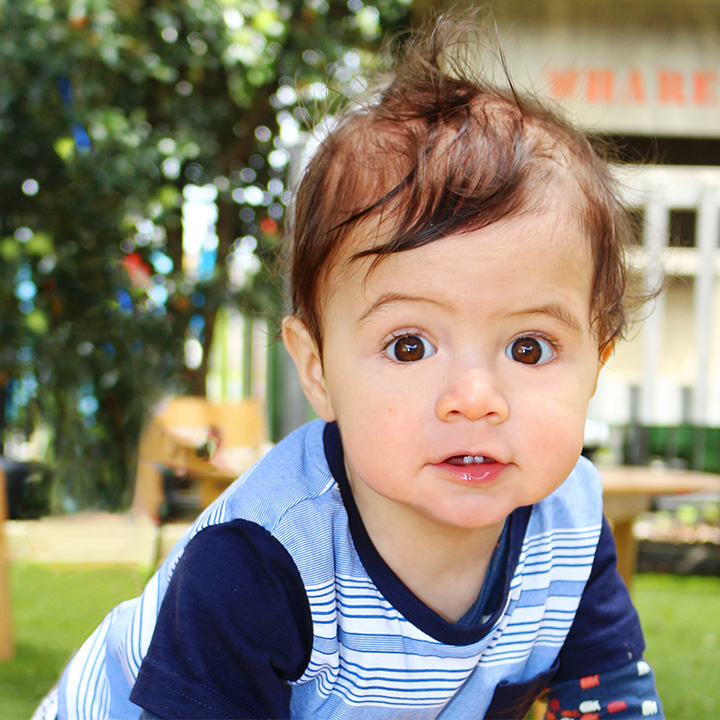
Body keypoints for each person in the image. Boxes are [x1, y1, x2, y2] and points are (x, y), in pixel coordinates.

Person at [38, 13, 664, 720]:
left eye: (529, 348)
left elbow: (609, 696)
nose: (474, 397)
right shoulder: (260, 561)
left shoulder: (568, 529)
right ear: (318, 371)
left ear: (597, 362)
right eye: (409, 346)